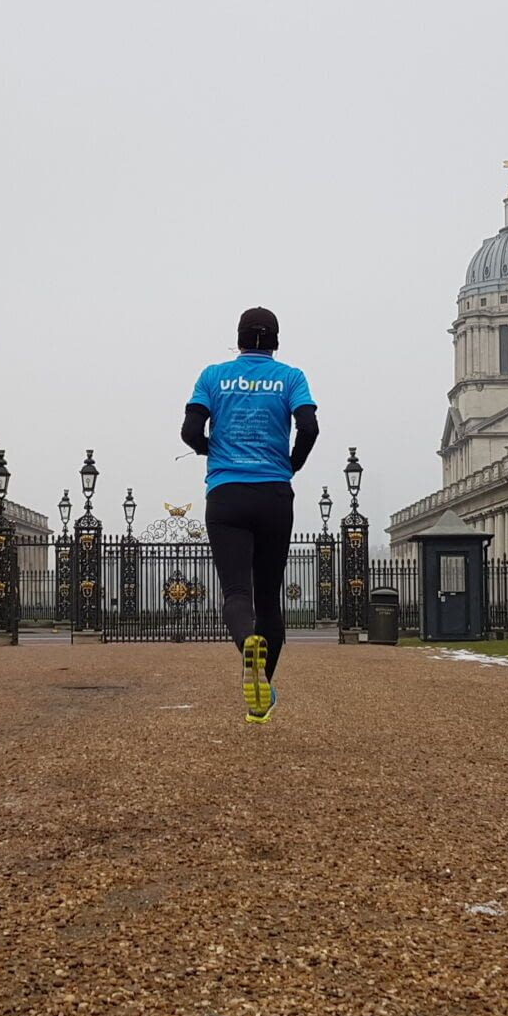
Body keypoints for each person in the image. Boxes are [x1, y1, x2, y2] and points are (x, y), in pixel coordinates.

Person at [181, 306, 318, 723]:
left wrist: (211, 450)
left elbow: (189, 431)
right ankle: (262, 691)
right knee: (269, 598)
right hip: (275, 493)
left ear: (239, 338)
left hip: (226, 493)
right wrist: (292, 462)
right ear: (275, 340)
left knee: (237, 594)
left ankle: (246, 643)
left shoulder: (213, 375)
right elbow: (309, 427)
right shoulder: (291, 377)